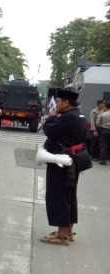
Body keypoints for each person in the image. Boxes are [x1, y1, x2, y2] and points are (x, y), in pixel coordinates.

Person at [40, 89, 87, 246]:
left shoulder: (68, 117)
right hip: (71, 160)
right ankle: (67, 231)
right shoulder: (78, 115)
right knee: (69, 195)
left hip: (62, 161)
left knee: (58, 196)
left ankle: (61, 236)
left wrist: (51, 117)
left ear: (66, 103)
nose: (57, 104)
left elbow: (50, 131)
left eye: (58, 102)